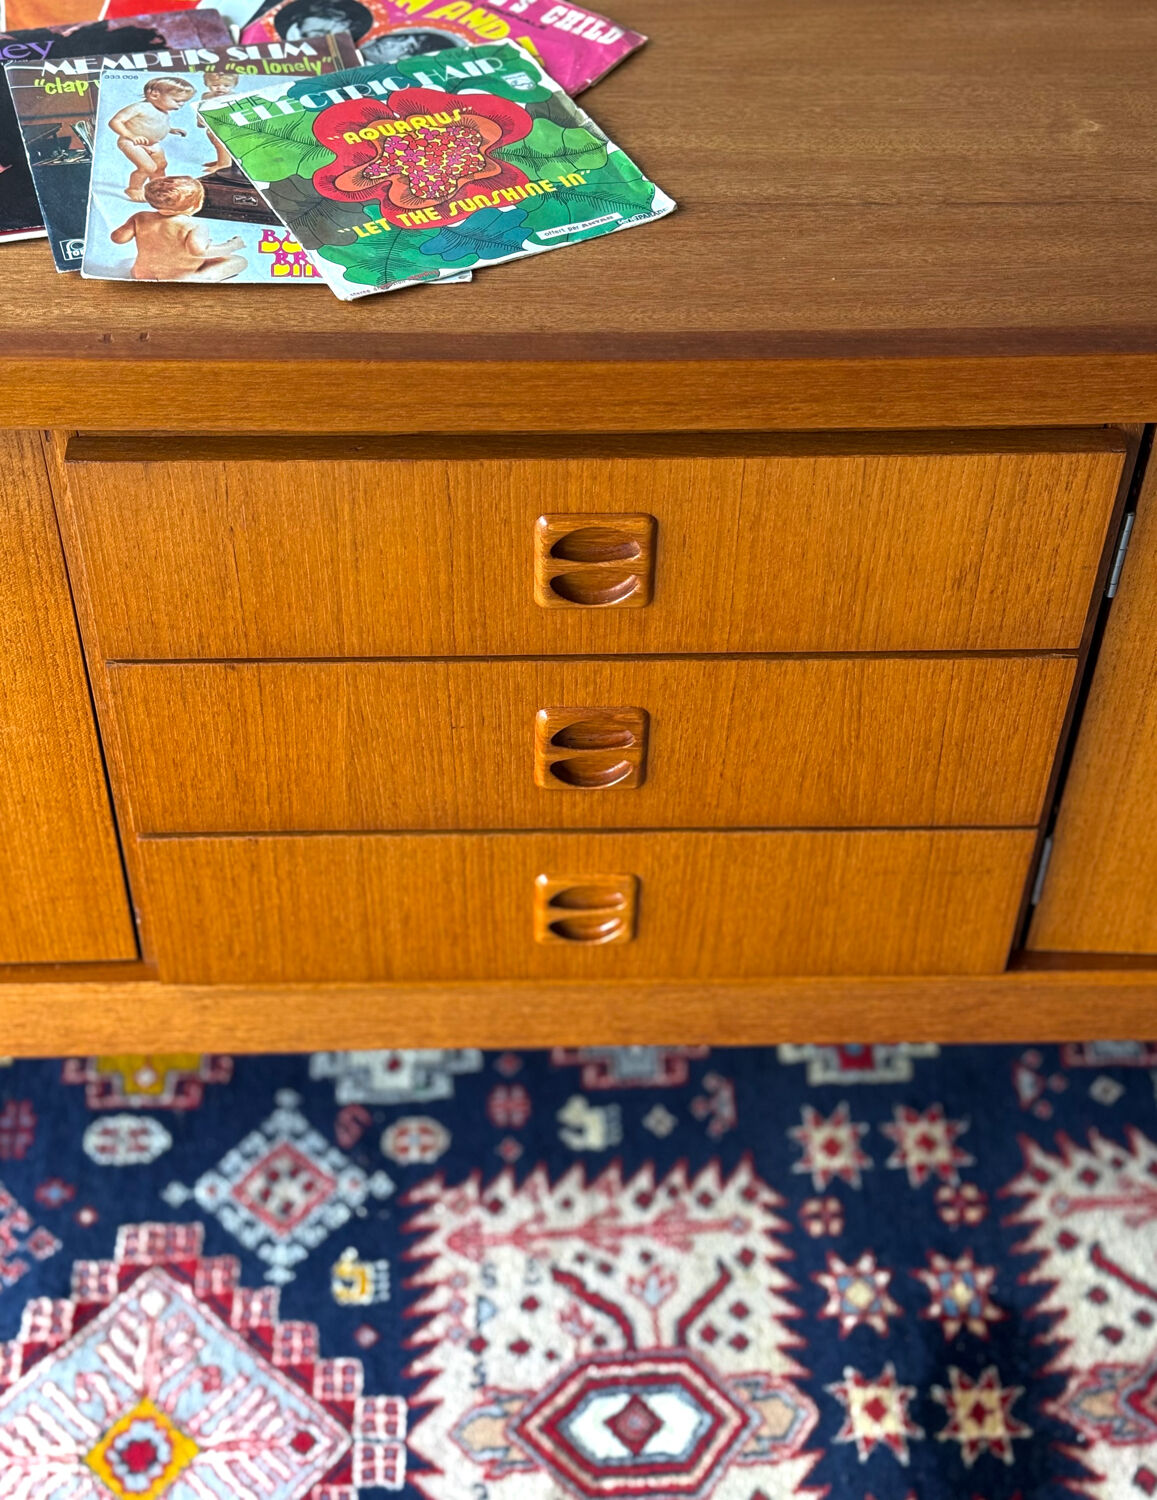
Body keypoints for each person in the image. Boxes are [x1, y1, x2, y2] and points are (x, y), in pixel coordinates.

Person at [109, 174, 248, 280]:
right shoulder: (194, 225)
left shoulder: (140, 217)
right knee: (239, 261)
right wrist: (231, 246)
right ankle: (198, 279)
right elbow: (199, 252)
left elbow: (118, 238)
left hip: (141, 275)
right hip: (177, 279)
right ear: (196, 205)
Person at [107, 77, 196, 201]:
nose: (181, 104)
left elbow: (156, 125)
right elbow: (115, 121)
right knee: (148, 167)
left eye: (183, 102)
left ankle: (158, 188)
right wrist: (129, 135)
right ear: (154, 95)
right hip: (132, 143)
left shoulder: (163, 111)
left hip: (153, 144)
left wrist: (171, 129)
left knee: (161, 166)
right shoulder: (139, 107)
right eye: (177, 100)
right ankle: (134, 189)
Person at [197, 71, 240, 173]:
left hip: (227, 125)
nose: (221, 88)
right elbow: (201, 108)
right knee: (213, 139)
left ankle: (224, 164)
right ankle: (222, 159)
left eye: (226, 85)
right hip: (212, 124)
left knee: (220, 142)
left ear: (234, 85)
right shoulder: (206, 96)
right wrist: (199, 119)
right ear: (207, 84)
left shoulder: (233, 97)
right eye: (215, 85)